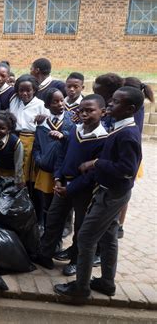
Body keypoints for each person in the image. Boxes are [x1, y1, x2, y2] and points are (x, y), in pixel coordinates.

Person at [54, 87, 144, 301]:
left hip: (111, 194)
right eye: (111, 100)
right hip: (112, 192)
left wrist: (96, 162)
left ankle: (81, 288)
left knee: (85, 237)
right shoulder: (118, 127)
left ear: (130, 108)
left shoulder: (128, 134)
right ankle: (106, 282)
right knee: (109, 236)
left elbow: (127, 170)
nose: (111, 104)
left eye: (116, 102)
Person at [36, 94, 108, 276]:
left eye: (90, 110)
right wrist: (58, 178)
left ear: (103, 112)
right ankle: (45, 254)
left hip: (83, 190)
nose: (84, 114)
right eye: (81, 110)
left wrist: (70, 188)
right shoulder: (74, 131)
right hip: (63, 185)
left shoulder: (102, 139)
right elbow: (61, 156)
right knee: (53, 218)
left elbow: (92, 173)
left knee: (81, 226)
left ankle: (75, 260)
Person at [116, 77, 154, 238]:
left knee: (124, 191)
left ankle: (118, 225)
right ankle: (119, 225)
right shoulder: (137, 106)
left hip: (128, 156)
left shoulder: (133, 111)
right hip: (133, 156)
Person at [32, 88, 74, 229]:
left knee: (64, 199)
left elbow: (75, 141)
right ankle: (46, 225)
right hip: (46, 168)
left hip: (64, 168)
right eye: (55, 102)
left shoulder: (72, 120)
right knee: (47, 199)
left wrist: (64, 136)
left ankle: (66, 226)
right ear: (47, 105)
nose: (60, 104)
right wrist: (39, 160)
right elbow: (37, 146)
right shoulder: (42, 123)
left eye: (62, 100)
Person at [9, 74, 49, 184]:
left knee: (27, 169)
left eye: (28, 90)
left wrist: (42, 121)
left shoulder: (40, 104)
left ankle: (27, 194)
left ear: (34, 90)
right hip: (14, 138)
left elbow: (48, 124)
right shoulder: (15, 101)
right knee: (15, 167)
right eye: (21, 90)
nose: (24, 93)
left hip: (31, 139)